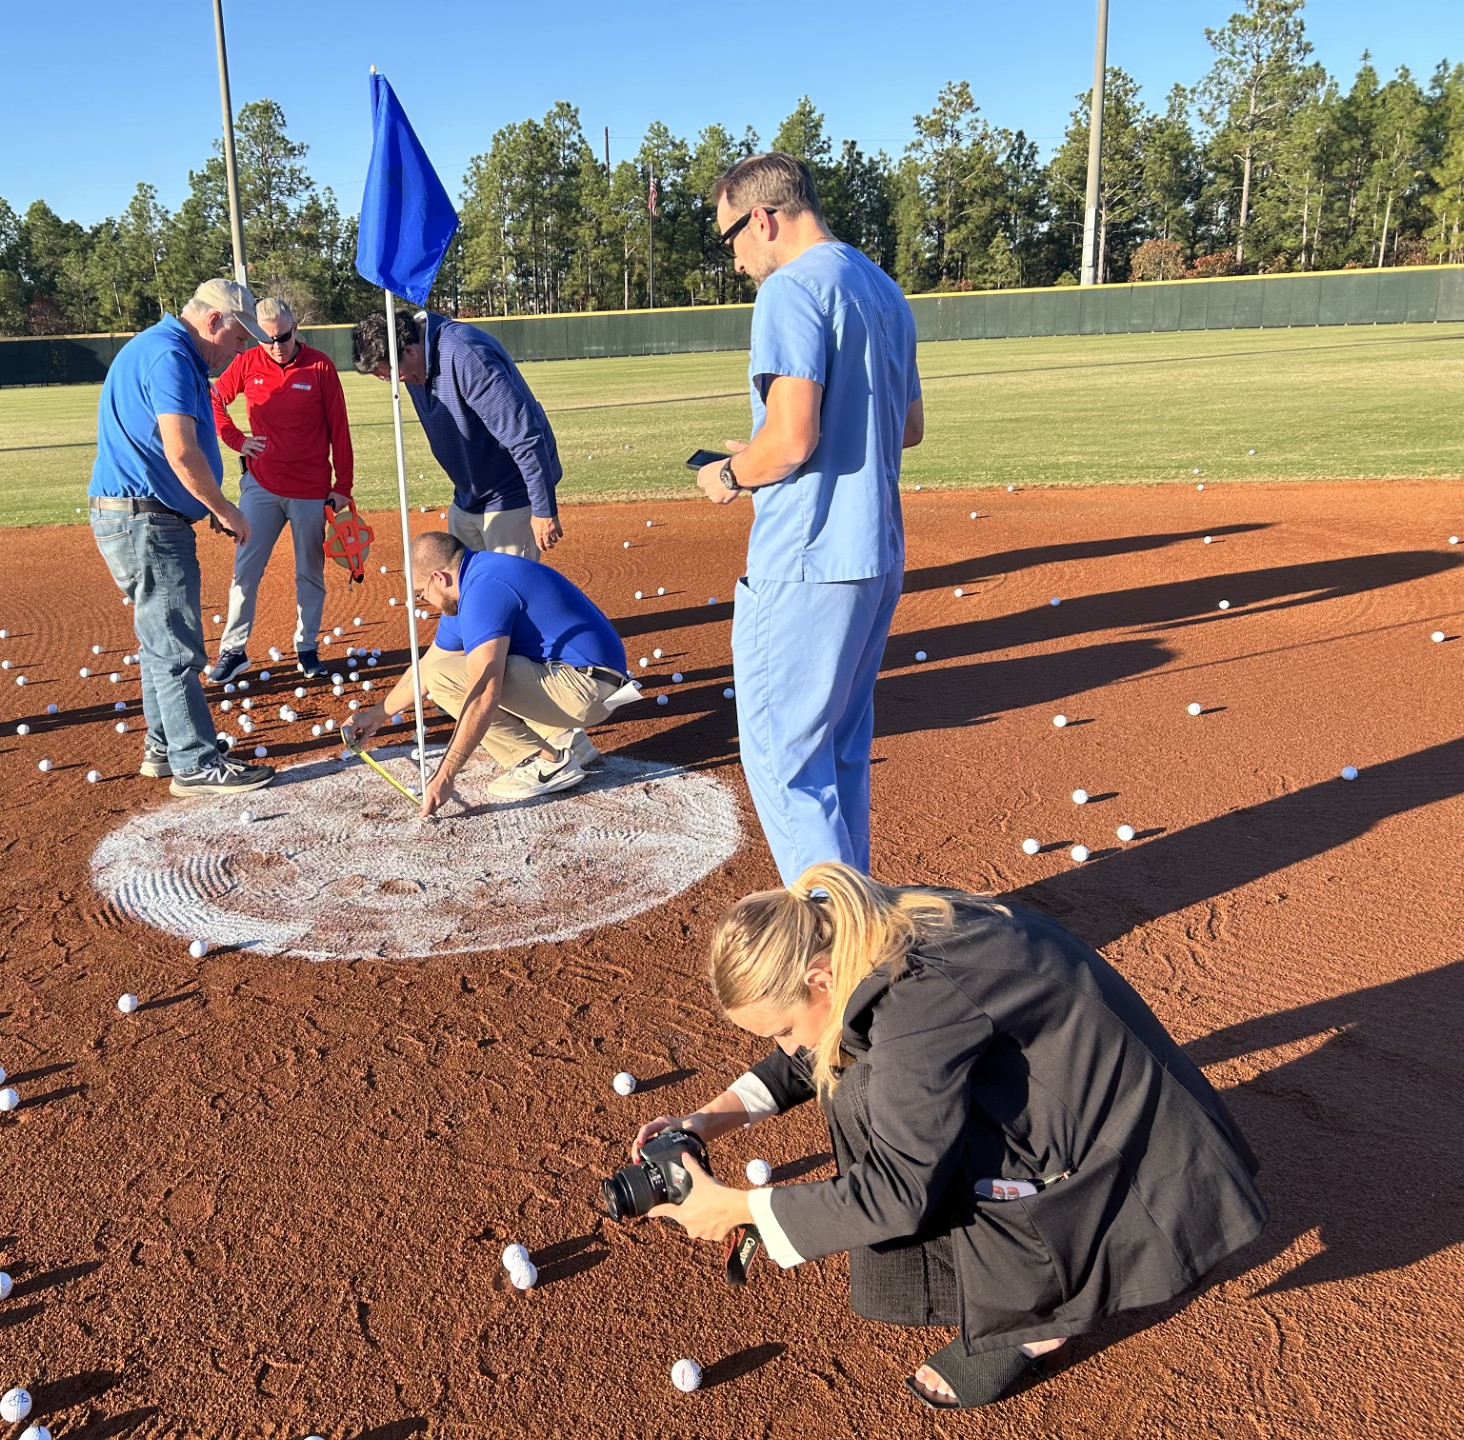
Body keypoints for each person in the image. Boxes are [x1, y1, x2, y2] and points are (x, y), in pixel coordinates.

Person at [632, 863, 1267, 1411]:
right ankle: (987, 1270)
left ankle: (1040, 1315)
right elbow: (824, 1043)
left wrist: (737, 1208)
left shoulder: (920, 1001)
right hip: (1088, 1102)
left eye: (779, 1028)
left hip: (1139, 1162)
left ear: (819, 979)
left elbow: (896, 1194)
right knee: (853, 1081)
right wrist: (706, 1119)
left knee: (872, 1110)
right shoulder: (868, 929)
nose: (785, 1045)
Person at [693, 153, 925, 884]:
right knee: (839, 752)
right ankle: (859, 917)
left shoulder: (790, 291)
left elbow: (792, 439)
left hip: (807, 557)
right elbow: (907, 426)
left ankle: (836, 947)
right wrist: (766, 447)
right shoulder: (881, 285)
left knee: (785, 759)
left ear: (762, 218)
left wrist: (733, 472)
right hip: (874, 553)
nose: (734, 258)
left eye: (731, 236)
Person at [89, 278, 275, 798]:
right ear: (214, 320)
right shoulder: (170, 355)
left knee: (158, 639)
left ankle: (164, 748)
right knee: (175, 645)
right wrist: (224, 507)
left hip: (136, 515)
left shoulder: (157, 348)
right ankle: (194, 761)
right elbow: (181, 451)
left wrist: (202, 503)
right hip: (147, 520)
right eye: (240, 339)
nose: (240, 351)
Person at [340, 532, 628, 816]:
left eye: (421, 592)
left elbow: (483, 693)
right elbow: (426, 668)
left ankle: (547, 762)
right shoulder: (479, 577)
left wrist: (446, 774)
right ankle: (567, 740)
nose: (423, 600)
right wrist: (376, 716)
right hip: (589, 682)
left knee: (462, 676)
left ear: (439, 578)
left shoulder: (483, 591)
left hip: (584, 690)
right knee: (452, 668)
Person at [205, 297, 355, 684]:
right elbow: (215, 399)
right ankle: (233, 651)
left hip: (310, 488)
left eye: (283, 338)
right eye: (266, 339)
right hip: (261, 485)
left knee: (309, 570)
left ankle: (306, 649)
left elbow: (340, 428)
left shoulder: (319, 365)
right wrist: (237, 440)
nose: (275, 346)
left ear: (295, 330)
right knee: (246, 569)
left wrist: (343, 486)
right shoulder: (248, 362)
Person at [351, 309, 562, 559]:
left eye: (392, 374)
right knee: (465, 589)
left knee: (508, 591)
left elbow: (523, 435)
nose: (396, 382)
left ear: (409, 351)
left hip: (511, 495)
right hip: (468, 498)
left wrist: (542, 509)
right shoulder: (413, 365)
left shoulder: (465, 355)